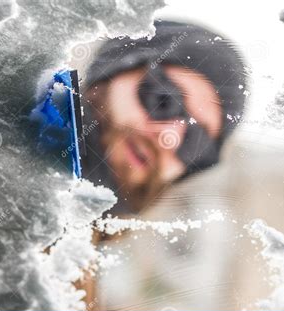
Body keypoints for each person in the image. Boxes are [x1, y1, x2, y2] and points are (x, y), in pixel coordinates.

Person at [80, 20, 247, 214]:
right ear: (114, 72)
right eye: (164, 100)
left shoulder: (79, 243)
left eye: (195, 140)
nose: (167, 137)